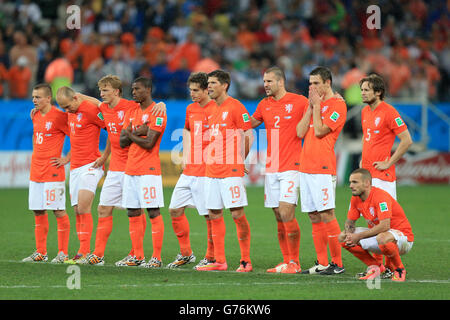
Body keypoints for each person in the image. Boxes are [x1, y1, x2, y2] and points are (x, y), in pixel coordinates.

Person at [250, 67, 308, 274]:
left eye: (269, 81)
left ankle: (295, 262)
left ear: (281, 82)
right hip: (271, 166)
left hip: (292, 166)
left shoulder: (299, 101)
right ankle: (286, 261)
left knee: (286, 211)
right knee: (277, 214)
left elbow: (318, 112)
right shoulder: (264, 104)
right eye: (264, 81)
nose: (265, 85)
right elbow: (247, 123)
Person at [195, 69, 253, 272]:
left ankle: (245, 260)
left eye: (212, 83)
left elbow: (248, 134)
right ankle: (219, 261)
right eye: (208, 83)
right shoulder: (210, 109)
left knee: (237, 213)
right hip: (211, 171)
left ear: (224, 85)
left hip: (230, 171)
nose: (208, 86)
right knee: (213, 213)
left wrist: (239, 159)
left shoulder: (236, 106)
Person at [296, 66, 347, 275]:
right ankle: (322, 262)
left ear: (328, 83)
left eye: (316, 83)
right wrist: (310, 107)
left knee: (327, 214)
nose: (312, 87)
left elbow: (319, 131)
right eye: (310, 84)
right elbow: (300, 132)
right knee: (313, 216)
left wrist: (316, 106)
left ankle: (337, 264)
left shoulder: (338, 106)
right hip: (305, 166)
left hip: (323, 167)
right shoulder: (315, 104)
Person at [167, 72, 218, 269]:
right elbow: (187, 130)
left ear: (207, 90)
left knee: (209, 215)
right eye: (190, 90)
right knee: (174, 209)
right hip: (190, 170)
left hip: (207, 171)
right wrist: (185, 157)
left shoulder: (216, 108)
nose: (192, 94)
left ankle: (211, 256)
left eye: (196, 90)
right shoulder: (190, 109)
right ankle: (186, 253)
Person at [56, 86, 109, 264]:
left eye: (68, 106)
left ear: (76, 98)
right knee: (78, 210)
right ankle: (82, 252)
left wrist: (105, 156)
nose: (66, 110)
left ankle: (87, 253)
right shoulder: (70, 113)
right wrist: (68, 158)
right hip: (75, 168)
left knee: (84, 207)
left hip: (91, 165)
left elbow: (112, 128)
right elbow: (76, 139)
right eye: (63, 108)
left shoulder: (91, 110)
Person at [119, 77, 167, 268]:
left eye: (137, 89)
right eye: (132, 89)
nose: (133, 92)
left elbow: (149, 144)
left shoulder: (158, 112)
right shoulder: (131, 110)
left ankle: (156, 257)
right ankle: (137, 256)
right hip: (131, 168)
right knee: (132, 211)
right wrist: (139, 132)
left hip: (149, 169)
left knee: (153, 211)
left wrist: (131, 133)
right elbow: (122, 142)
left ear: (147, 89)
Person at [22, 83, 71, 263]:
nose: (34, 100)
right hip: (36, 170)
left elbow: (77, 137)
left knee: (58, 210)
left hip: (53, 171)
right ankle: (41, 252)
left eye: (38, 97)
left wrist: (67, 159)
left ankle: (62, 253)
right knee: (38, 210)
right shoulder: (34, 115)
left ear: (48, 98)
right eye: (33, 97)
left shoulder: (60, 116)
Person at [339, 168, 414, 282]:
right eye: (350, 182)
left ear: (367, 183)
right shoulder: (356, 198)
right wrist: (350, 235)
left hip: (403, 238)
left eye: (355, 182)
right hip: (381, 237)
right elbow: (350, 222)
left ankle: (399, 269)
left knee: (382, 237)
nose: (350, 185)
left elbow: (385, 226)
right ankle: (377, 267)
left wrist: (358, 236)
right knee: (343, 237)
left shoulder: (380, 197)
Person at [359, 74, 413, 200]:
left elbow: (407, 140)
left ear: (378, 92)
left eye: (366, 90)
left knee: (385, 217)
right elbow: (366, 135)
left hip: (382, 176)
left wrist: (388, 163)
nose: (362, 93)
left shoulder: (389, 112)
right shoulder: (364, 111)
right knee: (370, 218)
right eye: (361, 90)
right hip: (366, 174)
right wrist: (363, 158)